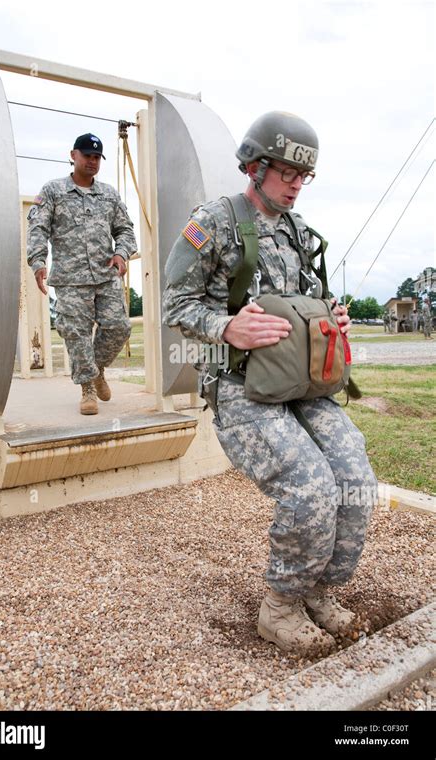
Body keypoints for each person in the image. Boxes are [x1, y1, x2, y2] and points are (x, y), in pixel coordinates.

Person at [163, 112, 378, 658]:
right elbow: (175, 304)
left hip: (300, 382)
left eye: (304, 177)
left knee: (353, 473)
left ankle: (319, 592)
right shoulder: (211, 222)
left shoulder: (300, 233)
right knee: (311, 487)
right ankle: (280, 606)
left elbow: (309, 300)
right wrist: (227, 325)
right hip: (240, 385)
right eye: (287, 173)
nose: (296, 185)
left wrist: (334, 316)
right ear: (256, 166)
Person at [27, 133, 137, 414]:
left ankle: (96, 368)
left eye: (97, 157)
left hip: (106, 274)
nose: (92, 160)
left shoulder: (110, 194)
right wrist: (38, 262)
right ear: (73, 155)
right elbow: (38, 228)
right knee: (76, 333)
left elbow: (125, 229)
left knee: (119, 327)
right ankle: (87, 388)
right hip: (70, 279)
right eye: (87, 155)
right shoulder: (53, 191)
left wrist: (121, 253)